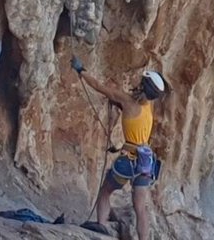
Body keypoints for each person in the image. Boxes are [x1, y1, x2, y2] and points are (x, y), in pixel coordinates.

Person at [71, 58, 167, 240]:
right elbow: (136, 116)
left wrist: (80, 70)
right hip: (145, 163)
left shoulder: (127, 101)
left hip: (128, 160)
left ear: (144, 85)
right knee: (140, 207)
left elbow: (99, 86)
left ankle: (101, 225)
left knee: (105, 191)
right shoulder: (148, 106)